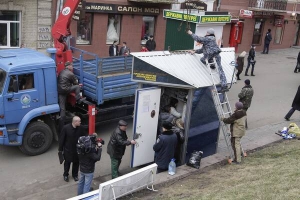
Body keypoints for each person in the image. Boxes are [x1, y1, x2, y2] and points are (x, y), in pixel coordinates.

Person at [187, 28, 229, 93]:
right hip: (216, 55)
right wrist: (194, 51)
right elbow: (202, 50)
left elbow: (198, 39)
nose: (206, 33)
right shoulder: (211, 40)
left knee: (202, 59)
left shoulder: (209, 38)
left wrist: (191, 33)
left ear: (208, 33)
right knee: (220, 70)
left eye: (207, 32)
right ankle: (224, 85)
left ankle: (212, 64)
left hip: (210, 55)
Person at [59, 116, 86, 182]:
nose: (80, 122)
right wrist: (60, 149)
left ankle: (75, 175)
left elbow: (84, 137)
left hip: (77, 149)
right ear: (75, 122)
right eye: (79, 121)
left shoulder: (81, 128)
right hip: (68, 150)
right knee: (67, 163)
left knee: (76, 163)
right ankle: (65, 174)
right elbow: (62, 139)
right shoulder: (66, 128)